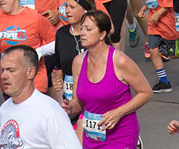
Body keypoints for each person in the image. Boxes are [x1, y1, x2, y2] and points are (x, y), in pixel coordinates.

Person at [63, 10, 150, 148]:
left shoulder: (119, 61)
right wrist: (70, 107)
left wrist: (118, 113)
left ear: (102, 34)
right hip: (92, 137)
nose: (82, 33)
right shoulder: (78, 62)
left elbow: (146, 93)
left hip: (120, 135)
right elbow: (78, 102)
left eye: (88, 29)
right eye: (82, 28)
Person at [0, 45, 80, 149]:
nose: (4, 76)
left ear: (30, 72)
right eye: (3, 70)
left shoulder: (50, 112)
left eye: (11, 70)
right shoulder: (4, 108)